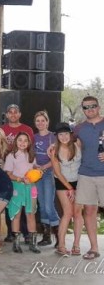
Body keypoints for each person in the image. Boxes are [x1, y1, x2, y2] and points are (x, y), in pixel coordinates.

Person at [73, 96, 104, 260]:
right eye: (86, 107)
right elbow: (70, 147)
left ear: (98, 107)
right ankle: (94, 248)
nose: (89, 109)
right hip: (85, 174)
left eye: (93, 106)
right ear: (82, 109)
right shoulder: (79, 129)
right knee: (89, 211)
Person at [3, 132, 41, 254]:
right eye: (20, 140)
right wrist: (19, 179)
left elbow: (34, 169)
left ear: (29, 143)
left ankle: (33, 243)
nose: (23, 143)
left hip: (30, 187)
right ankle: (16, 243)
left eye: (25, 140)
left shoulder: (31, 155)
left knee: (31, 214)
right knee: (16, 214)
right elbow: (8, 174)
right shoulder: (11, 156)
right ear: (16, 142)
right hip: (17, 187)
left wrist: (38, 171)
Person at [50, 122, 83, 256]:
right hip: (63, 182)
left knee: (78, 213)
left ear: (71, 134)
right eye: (60, 134)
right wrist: (70, 188)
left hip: (79, 181)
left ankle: (76, 244)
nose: (63, 137)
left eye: (66, 133)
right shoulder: (54, 150)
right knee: (68, 213)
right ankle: (61, 245)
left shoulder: (77, 144)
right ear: (57, 136)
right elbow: (57, 173)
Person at [33, 110, 59, 247]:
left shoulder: (53, 137)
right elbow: (31, 155)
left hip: (48, 173)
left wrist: (44, 167)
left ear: (47, 122)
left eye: (43, 120)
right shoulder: (34, 137)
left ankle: (59, 236)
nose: (40, 123)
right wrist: (35, 166)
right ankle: (46, 236)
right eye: (38, 121)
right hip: (37, 174)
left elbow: (57, 158)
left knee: (49, 206)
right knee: (42, 206)